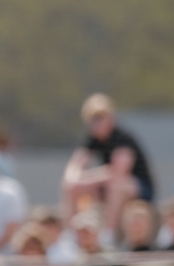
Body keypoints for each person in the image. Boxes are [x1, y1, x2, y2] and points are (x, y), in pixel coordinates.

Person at [62, 93, 155, 232]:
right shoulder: (93, 139)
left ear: (110, 118)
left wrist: (87, 179)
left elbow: (117, 172)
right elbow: (72, 171)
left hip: (139, 188)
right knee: (72, 187)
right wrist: (78, 181)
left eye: (100, 118)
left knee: (115, 185)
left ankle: (108, 234)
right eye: (93, 119)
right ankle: (70, 234)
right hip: (106, 185)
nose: (96, 123)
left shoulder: (122, 138)